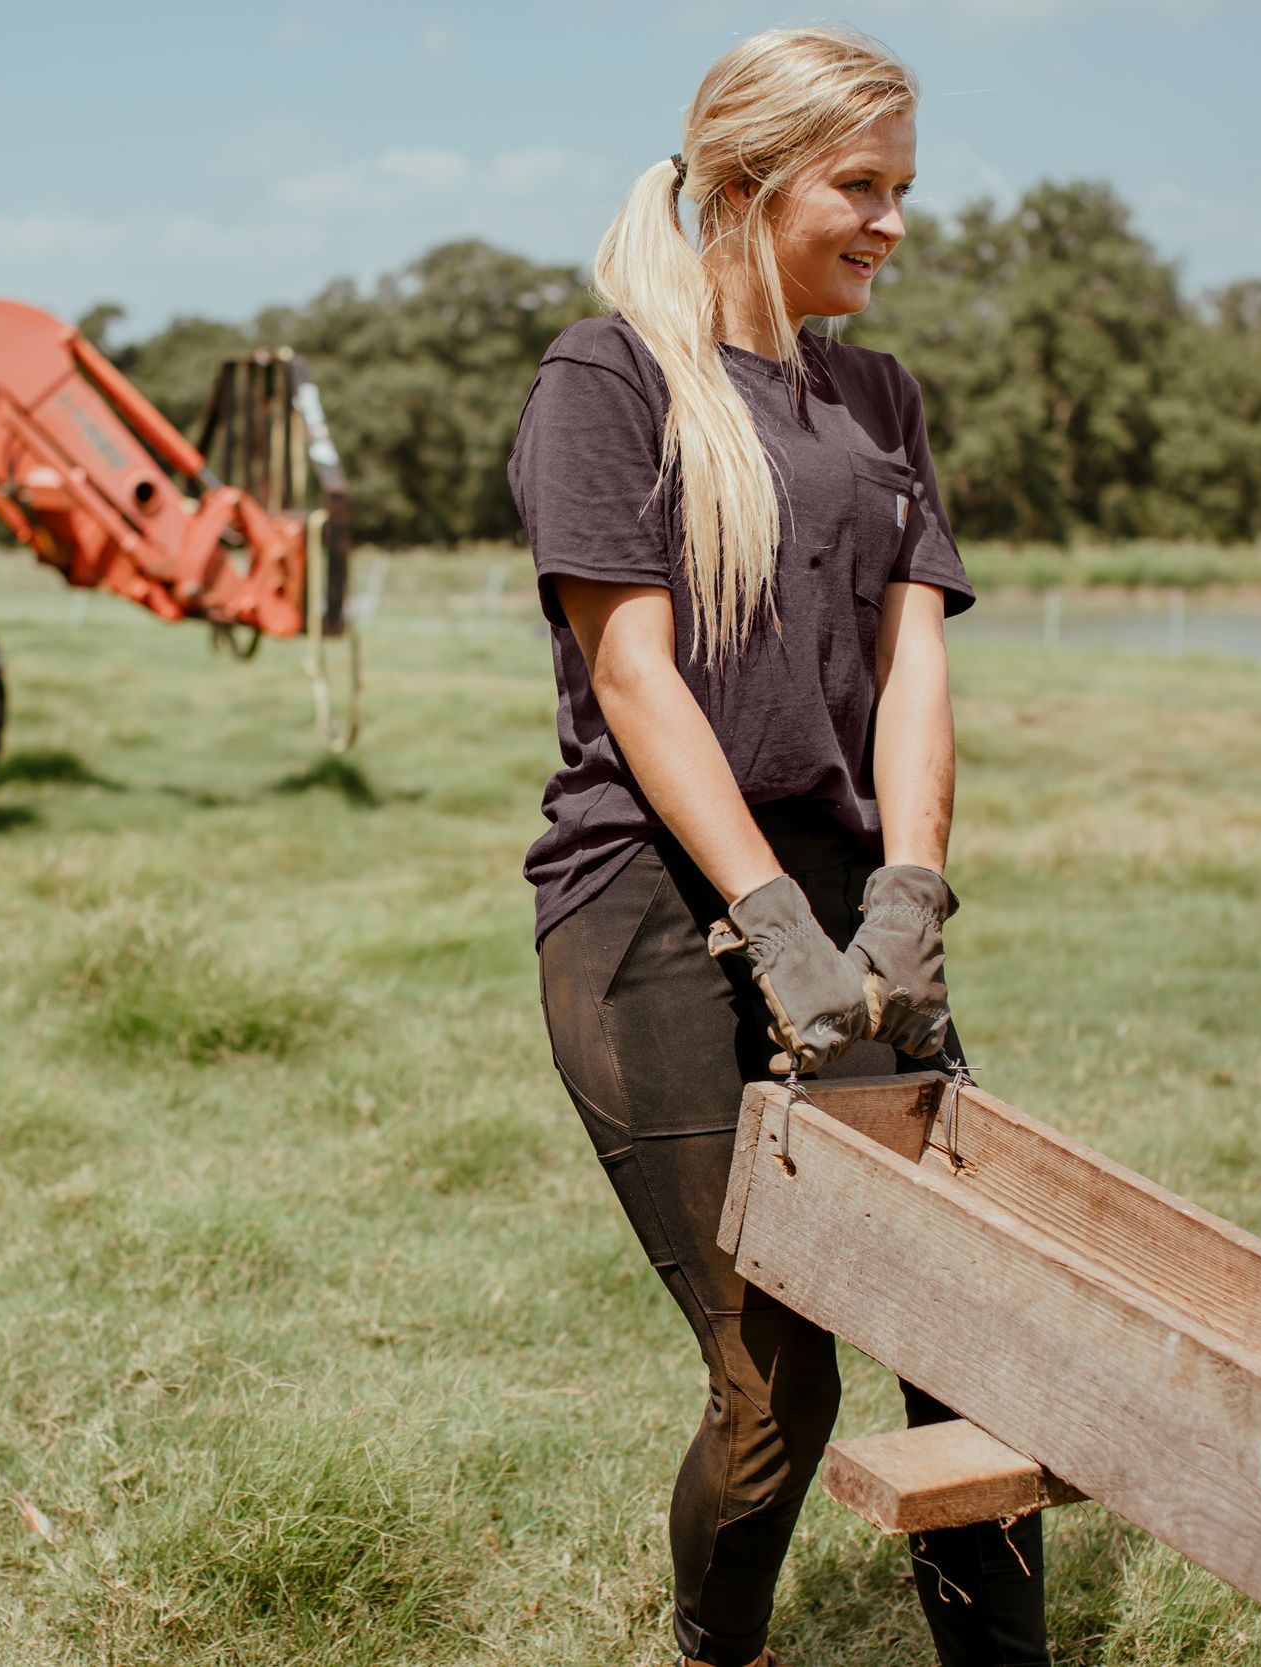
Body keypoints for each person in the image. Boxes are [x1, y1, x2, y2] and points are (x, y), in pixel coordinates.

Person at [509, 27, 1051, 1667]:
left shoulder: (878, 397)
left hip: (845, 898)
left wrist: (908, 894)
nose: (895, 223)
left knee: (971, 1340)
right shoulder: (608, 380)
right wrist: (765, 919)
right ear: (745, 188)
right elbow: (634, 676)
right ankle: (717, 1651)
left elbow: (916, 664)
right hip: (650, 910)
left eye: (904, 186)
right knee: (776, 1384)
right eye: (861, 185)